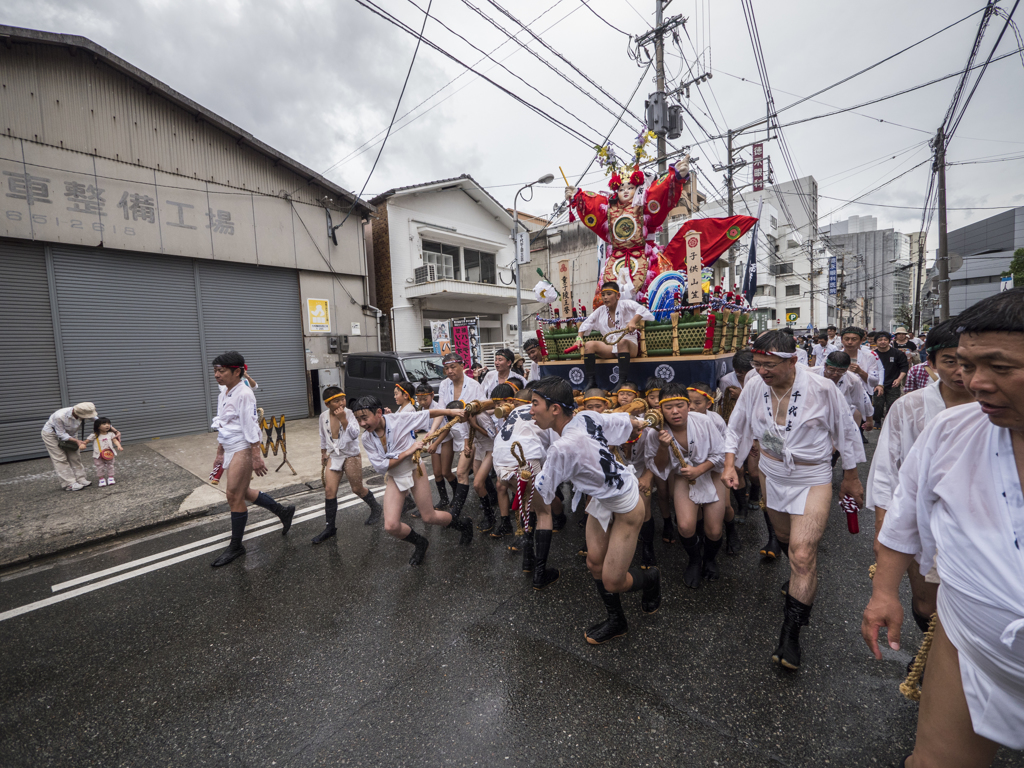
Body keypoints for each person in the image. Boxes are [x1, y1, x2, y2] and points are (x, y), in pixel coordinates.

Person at [862, 287, 1024, 765]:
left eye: (999, 367)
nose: (975, 383)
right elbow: (904, 508)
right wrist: (883, 592)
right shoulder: (949, 430)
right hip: (967, 643)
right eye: (967, 365)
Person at [723, 331, 865, 669]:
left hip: (811, 475)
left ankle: (790, 635)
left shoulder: (822, 389)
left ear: (792, 360)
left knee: (802, 555)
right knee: (786, 539)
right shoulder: (756, 386)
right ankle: (802, 576)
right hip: (772, 473)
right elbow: (737, 424)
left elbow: (845, 430)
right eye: (757, 364)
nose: (761, 371)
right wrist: (731, 463)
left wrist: (851, 476)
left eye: (768, 365)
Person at [531, 376, 660, 645]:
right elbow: (624, 423)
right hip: (602, 497)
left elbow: (542, 493)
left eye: (535, 404)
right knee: (593, 563)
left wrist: (521, 480)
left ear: (555, 409)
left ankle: (650, 578)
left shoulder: (563, 447)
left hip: (625, 505)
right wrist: (641, 422)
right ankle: (617, 621)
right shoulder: (586, 416)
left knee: (613, 581)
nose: (531, 410)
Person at [865, 320, 974, 631]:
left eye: (968, 363)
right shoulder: (909, 407)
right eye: (950, 362)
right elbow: (887, 470)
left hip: (977, 521)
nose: (960, 372)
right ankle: (929, 652)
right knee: (926, 604)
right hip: (922, 517)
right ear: (932, 364)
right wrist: (882, 527)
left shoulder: (997, 406)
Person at [354, 396, 474, 565]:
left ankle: (463, 525)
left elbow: (427, 414)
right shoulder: (367, 438)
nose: (362, 424)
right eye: (358, 419)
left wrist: (450, 411)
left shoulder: (398, 419)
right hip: (396, 475)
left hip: (414, 469)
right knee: (391, 526)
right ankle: (420, 543)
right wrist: (408, 451)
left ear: (379, 413)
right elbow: (381, 466)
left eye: (364, 418)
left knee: (429, 517)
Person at [208, 351, 296, 568]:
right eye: (215, 371)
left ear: (236, 371)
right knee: (242, 492)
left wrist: (256, 456)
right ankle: (283, 511)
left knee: (232, 495)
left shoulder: (244, 394)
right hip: (230, 446)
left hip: (243, 447)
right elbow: (224, 425)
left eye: (221, 371)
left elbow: (251, 425)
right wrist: (220, 453)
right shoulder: (225, 393)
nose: (217, 375)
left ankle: (236, 545)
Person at [649, 382, 727, 588]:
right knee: (684, 526)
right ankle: (694, 560)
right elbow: (659, 468)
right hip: (683, 477)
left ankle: (709, 558)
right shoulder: (655, 432)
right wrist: (663, 447)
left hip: (711, 472)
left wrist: (699, 470)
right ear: (660, 409)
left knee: (714, 531)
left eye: (680, 405)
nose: (675, 411)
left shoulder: (704, 421)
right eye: (668, 407)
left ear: (688, 405)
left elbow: (721, 454)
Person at [313, 386, 383, 544]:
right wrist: (323, 453)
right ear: (327, 404)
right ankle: (329, 528)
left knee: (357, 488)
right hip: (334, 455)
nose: (341, 403)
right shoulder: (323, 416)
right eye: (336, 401)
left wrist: (344, 419)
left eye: (342, 399)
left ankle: (376, 507)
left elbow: (353, 434)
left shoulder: (351, 414)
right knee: (329, 490)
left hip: (351, 455)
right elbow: (322, 435)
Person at [686, 382, 741, 555]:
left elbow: (725, 449)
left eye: (697, 403)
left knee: (724, 506)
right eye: (688, 402)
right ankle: (702, 536)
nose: (692, 407)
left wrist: (728, 468)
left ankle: (731, 531)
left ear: (709, 404)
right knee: (698, 506)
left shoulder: (716, 421)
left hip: (716, 468)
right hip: (693, 469)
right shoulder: (682, 419)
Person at [433, 352, 485, 518]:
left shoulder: (474, 386)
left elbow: (481, 409)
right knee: (446, 471)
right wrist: (433, 432)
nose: (449, 371)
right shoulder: (443, 385)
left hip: (470, 433)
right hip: (450, 430)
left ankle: (455, 512)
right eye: (446, 368)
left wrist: (469, 436)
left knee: (462, 472)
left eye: (453, 367)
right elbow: (441, 411)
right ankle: (485, 497)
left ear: (462, 366)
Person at [577, 281, 654, 389]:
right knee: (589, 345)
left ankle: (622, 381)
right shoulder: (600, 310)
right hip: (611, 347)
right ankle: (591, 382)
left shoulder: (625, 304)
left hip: (628, 346)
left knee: (621, 343)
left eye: (609, 294)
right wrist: (579, 337)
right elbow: (586, 324)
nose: (605, 297)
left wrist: (633, 321)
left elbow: (642, 309)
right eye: (603, 295)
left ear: (618, 295)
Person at [41, 401, 98, 491]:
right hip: (52, 434)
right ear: (77, 413)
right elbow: (61, 434)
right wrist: (77, 441)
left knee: (75, 457)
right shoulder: (60, 416)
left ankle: (81, 479)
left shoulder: (85, 411)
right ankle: (69, 483)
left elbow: (100, 422)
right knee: (60, 458)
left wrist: (115, 431)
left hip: (70, 434)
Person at [816, 351, 875, 431]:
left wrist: (869, 420)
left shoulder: (853, 380)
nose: (835, 374)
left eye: (840, 371)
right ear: (825, 366)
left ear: (847, 369)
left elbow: (863, 399)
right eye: (831, 370)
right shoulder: (812, 375)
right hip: (816, 416)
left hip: (841, 417)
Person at [873, 331, 909, 427]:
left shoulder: (897, 353)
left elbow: (904, 367)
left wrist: (899, 379)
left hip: (893, 383)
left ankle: (889, 422)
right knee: (877, 404)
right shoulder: (872, 355)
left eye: (885, 340)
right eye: (880, 340)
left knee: (892, 404)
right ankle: (877, 420)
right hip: (877, 384)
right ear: (876, 342)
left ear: (889, 341)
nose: (883, 342)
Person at [840, 326, 882, 398]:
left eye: (854, 339)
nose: (850, 342)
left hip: (862, 395)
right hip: (840, 393)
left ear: (861, 341)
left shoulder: (869, 356)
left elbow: (874, 381)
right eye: (846, 339)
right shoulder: (833, 356)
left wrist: (860, 371)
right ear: (841, 340)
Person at [86, 417, 123, 488]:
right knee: (100, 467)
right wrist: (83, 444)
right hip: (98, 455)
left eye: (109, 424)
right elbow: (87, 441)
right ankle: (101, 479)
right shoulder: (94, 435)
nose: (107, 425)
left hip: (109, 454)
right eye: (104, 424)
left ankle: (111, 477)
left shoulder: (111, 434)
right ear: (98, 426)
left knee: (110, 465)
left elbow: (115, 440)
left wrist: (119, 446)